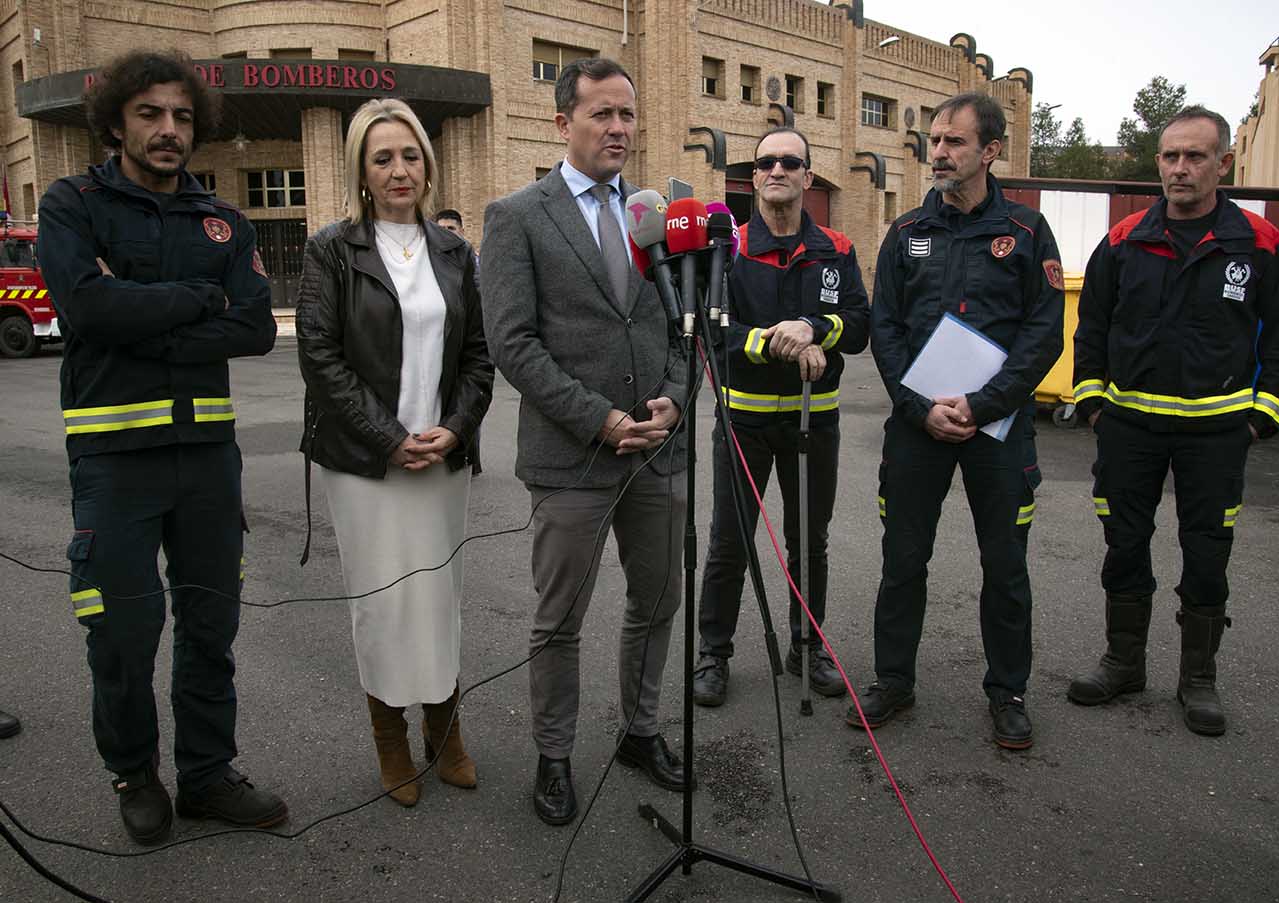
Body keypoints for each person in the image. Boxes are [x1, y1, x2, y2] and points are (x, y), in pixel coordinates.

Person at [36, 50, 283, 845]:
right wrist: (192, 299)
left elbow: (251, 328)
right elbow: (84, 307)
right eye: (150, 113)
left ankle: (207, 774)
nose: (168, 129)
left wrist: (139, 313)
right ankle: (134, 773)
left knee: (211, 627)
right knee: (122, 632)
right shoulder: (71, 204)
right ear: (116, 121)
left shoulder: (225, 220)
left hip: (208, 459)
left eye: (180, 115)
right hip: (113, 462)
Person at [482, 57, 690, 826]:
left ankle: (639, 730)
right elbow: (512, 342)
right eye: (601, 114)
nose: (618, 128)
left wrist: (675, 398)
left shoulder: (652, 213)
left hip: (658, 451)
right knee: (558, 618)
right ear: (561, 123)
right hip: (574, 457)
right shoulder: (518, 216)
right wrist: (599, 418)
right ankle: (554, 753)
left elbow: (681, 323)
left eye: (627, 115)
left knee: (656, 602)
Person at [1067, 106, 1279, 736]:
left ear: (1222, 164)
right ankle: (1123, 663)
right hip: (1130, 433)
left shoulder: (1259, 244)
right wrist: (1094, 406)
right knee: (1124, 547)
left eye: (1195, 156)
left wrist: (1260, 421)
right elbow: (1090, 328)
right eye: (1170, 156)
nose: (1180, 168)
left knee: (1206, 556)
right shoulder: (1122, 241)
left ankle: (1198, 680)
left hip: (1217, 437)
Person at [850, 93, 1064, 750]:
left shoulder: (1027, 232)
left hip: (997, 432)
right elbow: (883, 328)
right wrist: (921, 407)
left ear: (990, 150)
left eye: (953, 142)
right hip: (916, 430)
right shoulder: (906, 231)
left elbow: (1044, 332)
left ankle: (1008, 692)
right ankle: (893, 680)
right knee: (902, 560)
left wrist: (982, 403)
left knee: (1004, 565)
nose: (937, 152)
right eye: (933, 141)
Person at [296, 99, 493, 806]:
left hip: (440, 460)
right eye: (382, 157)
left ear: (427, 164)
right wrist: (389, 436)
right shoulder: (332, 249)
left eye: (409, 155)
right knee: (384, 602)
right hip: (365, 462)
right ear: (361, 169)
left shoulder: (452, 252)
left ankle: (447, 732)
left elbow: (478, 357)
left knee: (439, 598)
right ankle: (390, 737)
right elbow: (319, 356)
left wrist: (456, 428)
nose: (399, 169)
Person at [692, 127, 870, 707]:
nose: (776, 170)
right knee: (728, 543)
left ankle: (807, 647)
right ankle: (712, 654)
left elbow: (860, 325)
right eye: (765, 162)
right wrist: (775, 343)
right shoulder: (730, 248)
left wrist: (817, 329)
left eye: (789, 162)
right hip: (743, 424)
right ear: (753, 177)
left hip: (814, 423)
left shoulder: (836, 250)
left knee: (809, 542)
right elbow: (714, 333)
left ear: (807, 177)